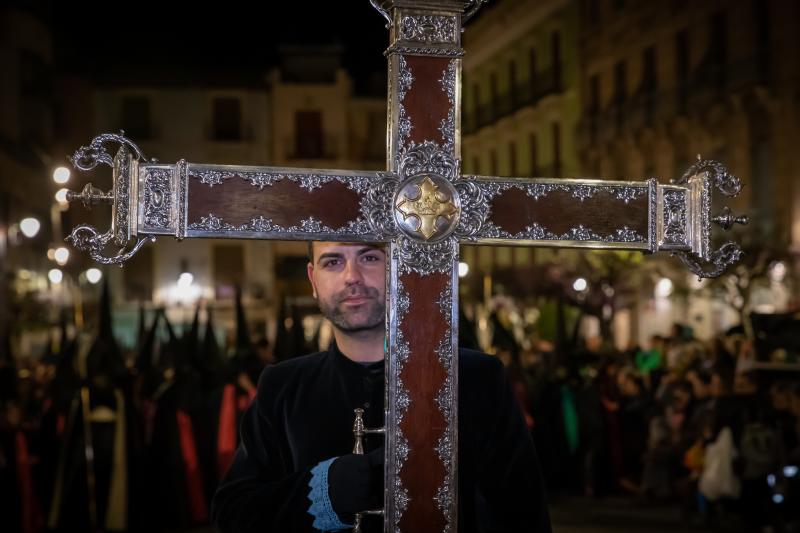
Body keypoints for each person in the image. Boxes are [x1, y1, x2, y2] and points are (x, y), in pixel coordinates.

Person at [211, 242, 552, 532]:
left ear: (399, 267)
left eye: (370, 257)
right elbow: (232, 512)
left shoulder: (477, 377)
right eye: (333, 261)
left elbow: (524, 512)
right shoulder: (282, 385)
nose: (352, 277)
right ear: (314, 280)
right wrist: (322, 492)